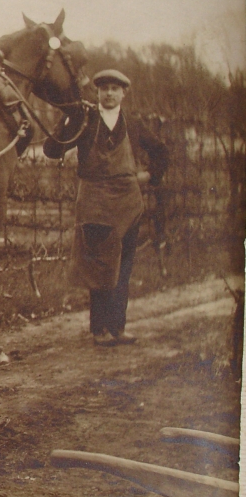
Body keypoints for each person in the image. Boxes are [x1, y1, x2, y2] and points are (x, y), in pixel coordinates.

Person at [44, 69, 169, 347]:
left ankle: (118, 328)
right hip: (95, 201)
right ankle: (99, 330)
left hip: (128, 202)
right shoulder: (85, 121)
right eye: (104, 88)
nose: (109, 93)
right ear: (98, 93)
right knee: (99, 266)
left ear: (124, 93)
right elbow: (52, 150)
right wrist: (66, 119)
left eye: (115, 88)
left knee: (123, 267)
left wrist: (149, 176)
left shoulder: (133, 124)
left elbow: (161, 151)